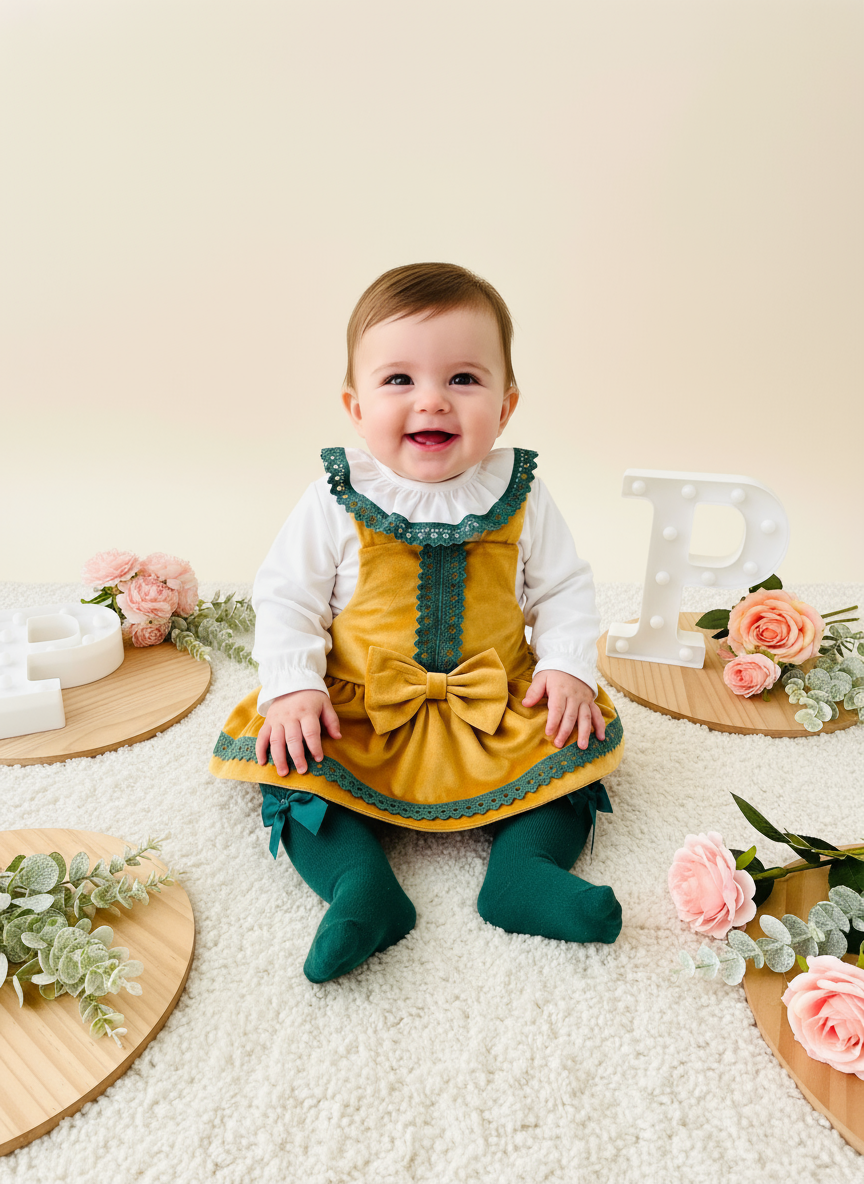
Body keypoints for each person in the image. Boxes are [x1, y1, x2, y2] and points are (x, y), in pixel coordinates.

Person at [210, 262, 625, 983]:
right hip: (360, 707)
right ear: (354, 404)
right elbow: (287, 598)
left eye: (463, 379)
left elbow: (562, 589)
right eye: (398, 380)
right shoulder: (335, 499)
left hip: (493, 703)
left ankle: (522, 875)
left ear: (506, 405)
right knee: (294, 772)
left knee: (569, 760)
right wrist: (291, 686)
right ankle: (357, 887)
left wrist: (565, 669)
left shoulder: (521, 495)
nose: (431, 400)